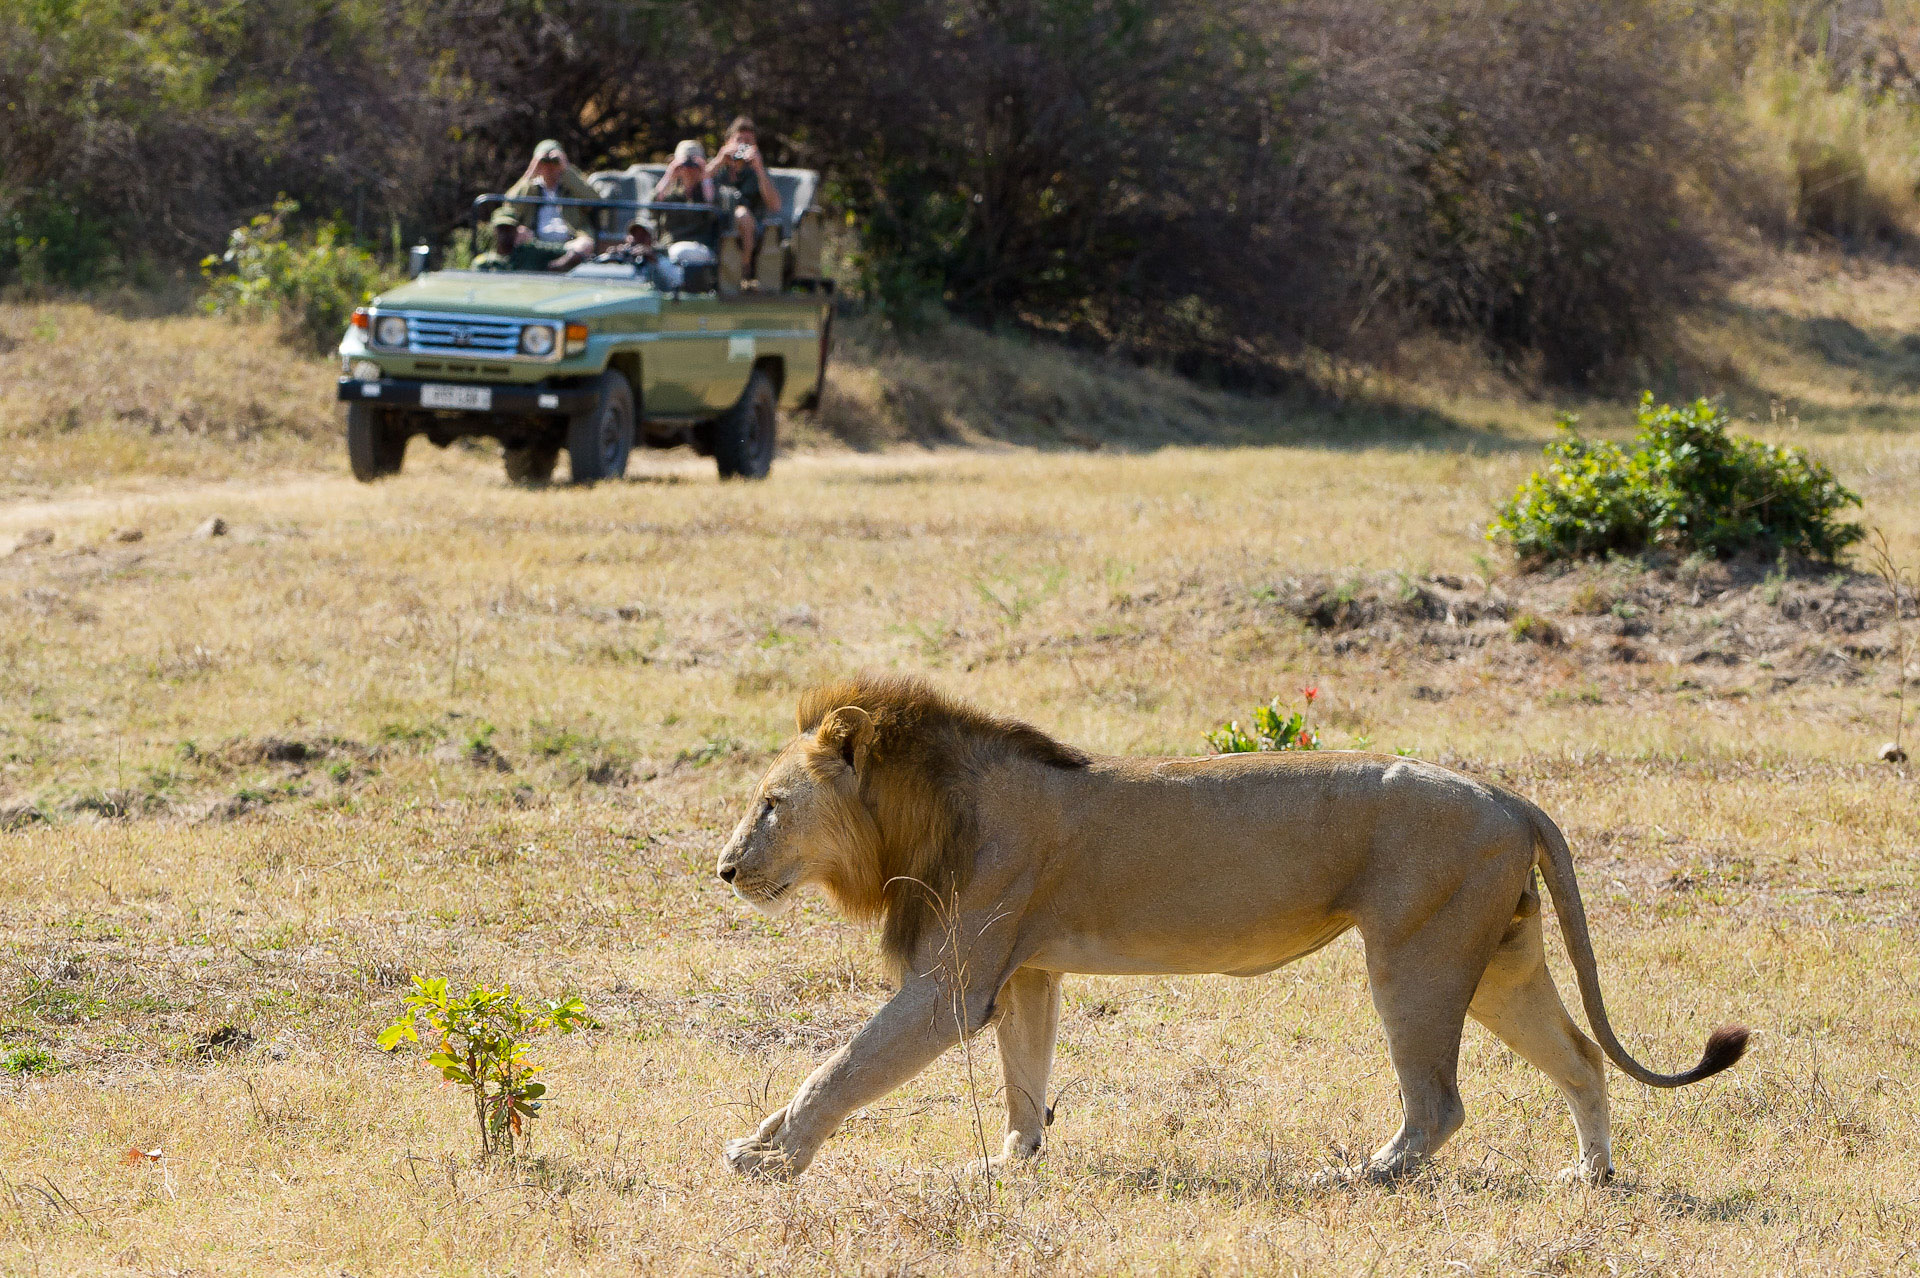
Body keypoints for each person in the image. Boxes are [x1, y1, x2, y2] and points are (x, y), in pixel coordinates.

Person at [704, 116, 782, 278]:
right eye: (739, 140)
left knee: (742, 214)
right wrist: (719, 160)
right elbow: (697, 184)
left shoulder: (757, 171)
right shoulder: (717, 167)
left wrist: (759, 169)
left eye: (748, 142)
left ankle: (744, 269)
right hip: (716, 223)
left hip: (751, 229)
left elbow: (775, 206)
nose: (743, 145)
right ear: (727, 142)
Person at [505, 138, 598, 264]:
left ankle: (559, 265)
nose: (549, 167)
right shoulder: (530, 188)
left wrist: (567, 171)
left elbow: (595, 201)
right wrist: (530, 173)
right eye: (544, 163)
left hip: (570, 241)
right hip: (535, 240)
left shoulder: (572, 186)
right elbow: (509, 207)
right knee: (518, 233)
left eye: (554, 162)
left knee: (586, 244)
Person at [651, 139, 718, 248]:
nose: (689, 169)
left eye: (694, 165)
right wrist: (670, 173)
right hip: (670, 244)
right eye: (684, 165)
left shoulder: (709, 189)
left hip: (699, 244)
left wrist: (705, 176)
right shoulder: (670, 191)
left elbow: (712, 205)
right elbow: (654, 202)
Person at [470, 209, 574, 272]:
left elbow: (570, 252)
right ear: (494, 231)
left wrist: (559, 265)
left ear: (516, 230)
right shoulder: (484, 264)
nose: (505, 233)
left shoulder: (531, 253)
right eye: (501, 228)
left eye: (509, 228)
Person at [596, 217, 684, 291]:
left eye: (643, 235)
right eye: (634, 235)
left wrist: (653, 259)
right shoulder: (622, 254)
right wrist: (612, 257)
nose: (637, 239)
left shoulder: (659, 258)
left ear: (651, 240)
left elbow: (677, 280)